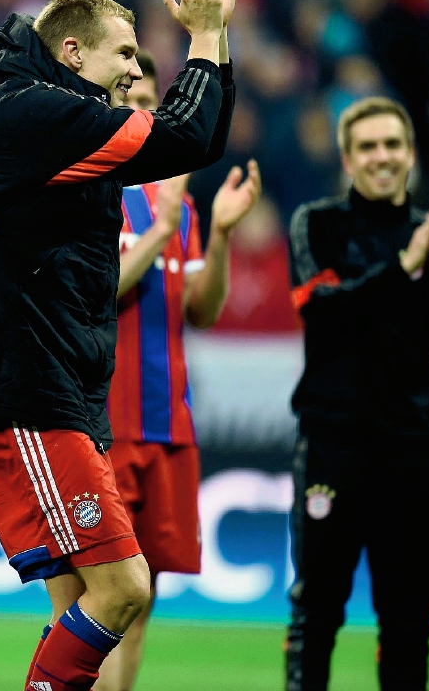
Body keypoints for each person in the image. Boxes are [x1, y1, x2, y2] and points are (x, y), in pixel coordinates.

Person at [0, 0, 245, 690]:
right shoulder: (37, 111)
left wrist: (217, 33)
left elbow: (199, 139)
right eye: (126, 56)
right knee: (123, 589)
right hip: (26, 390)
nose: (136, 71)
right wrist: (200, 34)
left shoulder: (55, 115)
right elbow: (186, 133)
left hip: (57, 388)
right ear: (71, 51)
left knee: (100, 595)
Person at [284, 96, 429, 691]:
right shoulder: (316, 223)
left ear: (411, 155)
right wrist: (408, 266)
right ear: (347, 158)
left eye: (393, 144)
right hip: (332, 451)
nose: (382, 157)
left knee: (408, 625)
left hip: (410, 454)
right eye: (368, 146)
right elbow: (324, 310)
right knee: (314, 618)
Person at [94, 50, 261, 691]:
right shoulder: (90, 195)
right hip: (100, 426)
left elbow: (204, 311)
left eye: (147, 106)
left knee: (141, 598)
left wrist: (215, 237)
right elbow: (97, 295)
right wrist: (162, 231)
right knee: (95, 595)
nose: (138, 116)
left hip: (168, 427)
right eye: (125, 103)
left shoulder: (179, 207)